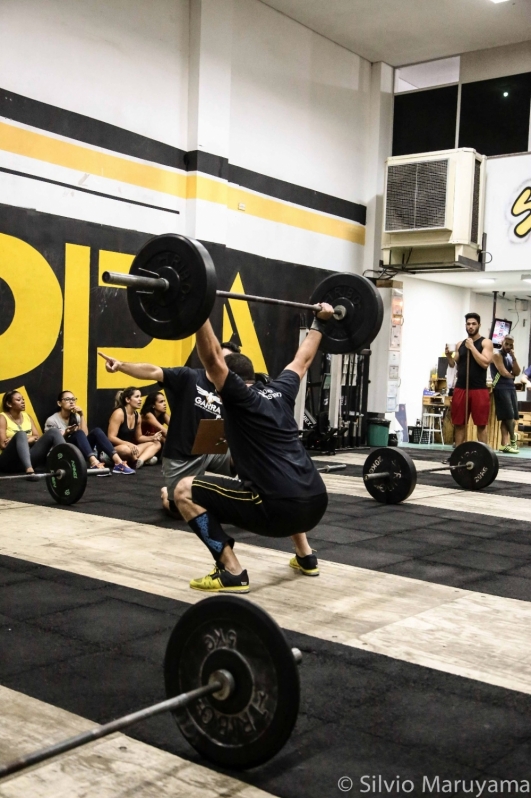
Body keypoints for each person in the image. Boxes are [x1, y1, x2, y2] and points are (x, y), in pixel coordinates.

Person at [166, 304, 334, 593]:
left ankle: (231, 571)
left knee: (182, 490)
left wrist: (197, 311)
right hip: (316, 501)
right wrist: (320, 322)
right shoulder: (280, 390)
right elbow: (302, 360)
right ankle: (306, 556)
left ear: (225, 382)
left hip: (277, 511)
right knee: (279, 477)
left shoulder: (238, 397)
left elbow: (213, 358)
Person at [98, 347, 236, 517]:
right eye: (222, 359)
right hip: (182, 455)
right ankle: (167, 494)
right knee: (181, 512)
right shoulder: (189, 377)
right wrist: (120, 366)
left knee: (244, 457)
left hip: (211, 450)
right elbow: (153, 371)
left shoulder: (232, 388)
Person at [45, 391, 135, 474]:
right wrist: (66, 433)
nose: (71, 402)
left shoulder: (76, 417)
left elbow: (85, 435)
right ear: (59, 403)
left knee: (97, 431)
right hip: (62, 454)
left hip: (79, 452)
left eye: (73, 399)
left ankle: (118, 463)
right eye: (67, 399)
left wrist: (81, 415)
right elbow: (54, 444)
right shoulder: (52, 420)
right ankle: (94, 463)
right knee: (78, 433)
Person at [445, 313, 493, 446]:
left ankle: (484, 454)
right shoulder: (461, 344)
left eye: (473, 324)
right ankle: (458, 454)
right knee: (459, 423)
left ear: (479, 325)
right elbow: (453, 365)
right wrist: (449, 356)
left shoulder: (485, 342)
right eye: (468, 324)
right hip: (461, 388)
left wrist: (472, 348)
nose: (470, 327)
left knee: (481, 424)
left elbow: (485, 363)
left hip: (478, 388)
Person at [0, 390, 63, 477]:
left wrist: (21, 440)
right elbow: (3, 445)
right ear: (9, 404)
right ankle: (29, 471)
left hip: (28, 459)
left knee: (54, 431)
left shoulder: (27, 416)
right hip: (9, 463)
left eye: (23, 399)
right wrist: (22, 438)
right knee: (20, 434)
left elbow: (37, 438)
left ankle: (69, 462)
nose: (23, 402)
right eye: (18, 400)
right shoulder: (3, 417)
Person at [107, 387, 162, 468]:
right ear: (128, 400)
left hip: (131, 449)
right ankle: (143, 458)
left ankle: (139, 461)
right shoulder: (119, 413)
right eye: (137, 397)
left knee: (157, 444)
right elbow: (111, 437)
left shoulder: (137, 416)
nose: (140, 399)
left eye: (140, 396)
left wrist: (153, 438)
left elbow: (139, 437)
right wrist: (129, 444)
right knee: (125, 449)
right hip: (116, 448)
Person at [490, 335, 521, 453]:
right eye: (506, 344)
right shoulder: (497, 354)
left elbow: (517, 372)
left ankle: (504, 444)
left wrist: (514, 357)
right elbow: (503, 372)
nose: (508, 346)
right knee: (509, 417)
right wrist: (512, 375)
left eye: (511, 345)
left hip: (510, 388)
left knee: (507, 418)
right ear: (502, 342)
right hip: (501, 388)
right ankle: (513, 440)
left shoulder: (509, 356)